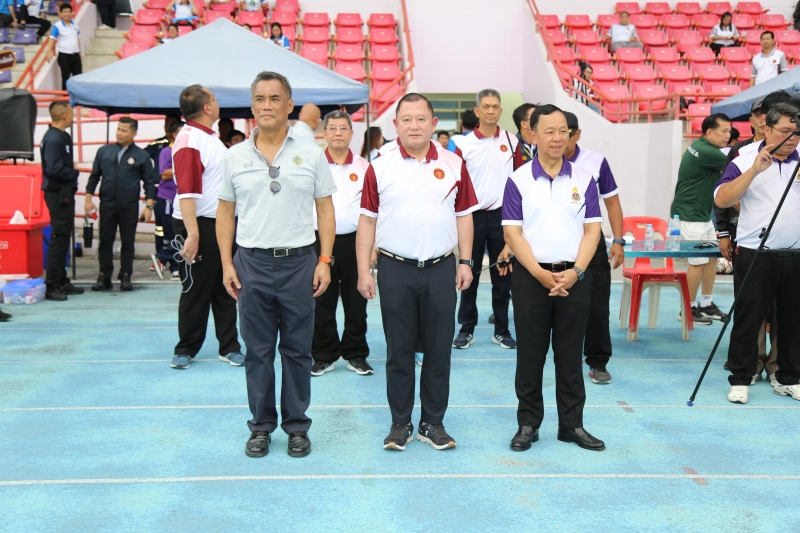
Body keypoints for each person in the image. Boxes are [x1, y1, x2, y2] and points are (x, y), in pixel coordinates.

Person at [217, 71, 337, 459]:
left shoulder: (312, 154)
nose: (266, 105)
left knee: (298, 351)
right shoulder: (234, 156)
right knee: (258, 352)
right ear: (252, 106)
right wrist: (227, 264)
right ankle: (261, 426)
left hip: (300, 263)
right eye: (260, 99)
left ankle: (297, 426)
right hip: (250, 263)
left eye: (274, 98)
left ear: (289, 105)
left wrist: (324, 260)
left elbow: (325, 209)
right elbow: (225, 213)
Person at [357, 93, 478, 451]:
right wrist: (364, 270)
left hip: (441, 269)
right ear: (395, 125)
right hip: (395, 269)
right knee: (399, 351)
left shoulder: (454, 164)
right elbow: (367, 221)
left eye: (421, 118)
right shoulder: (380, 166)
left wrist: (466, 261)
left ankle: (432, 423)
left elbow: (464, 216)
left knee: (439, 350)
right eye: (406, 119)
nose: (414, 125)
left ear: (433, 123)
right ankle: (400, 424)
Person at [502, 104, 605, 452]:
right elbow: (513, 234)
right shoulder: (518, 180)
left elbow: (592, 231)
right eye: (549, 131)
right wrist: (539, 273)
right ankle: (528, 423)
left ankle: (572, 425)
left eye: (563, 130)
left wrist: (575, 272)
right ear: (533, 135)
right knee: (530, 354)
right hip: (532, 278)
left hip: (574, 278)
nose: (558, 137)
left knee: (570, 354)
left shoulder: (584, 179)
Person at [715, 102, 800, 404]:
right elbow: (722, 199)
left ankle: (789, 378)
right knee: (748, 320)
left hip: (795, 254)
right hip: (756, 254)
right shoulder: (744, 158)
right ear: (767, 128)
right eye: (785, 131)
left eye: (797, 133)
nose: (792, 138)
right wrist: (753, 171)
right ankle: (741, 378)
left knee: (793, 320)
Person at [169, 84, 244, 370]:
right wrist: (193, 234)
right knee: (196, 288)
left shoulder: (210, 137)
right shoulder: (189, 140)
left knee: (226, 284)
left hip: (221, 222)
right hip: (198, 223)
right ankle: (186, 347)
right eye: (214, 99)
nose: (217, 103)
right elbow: (187, 192)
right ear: (207, 107)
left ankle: (229, 345)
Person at [452, 89, 522, 351]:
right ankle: (466, 329)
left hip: (503, 218)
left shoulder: (512, 141)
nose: (491, 111)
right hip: (471, 217)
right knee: (467, 273)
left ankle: (502, 330)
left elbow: (520, 180)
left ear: (500, 111)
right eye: (486, 107)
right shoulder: (463, 144)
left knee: (502, 276)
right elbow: (456, 183)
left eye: (495, 107)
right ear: (477, 111)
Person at [562, 112, 625, 385]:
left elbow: (612, 202)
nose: (558, 138)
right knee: (556, 305)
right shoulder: (535, 163)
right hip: (554, 244)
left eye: (564, 132)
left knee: (597, 306)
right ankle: (562, 360)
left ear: (576, 134)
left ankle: (598, 362)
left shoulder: (596, 161)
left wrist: (618, 240)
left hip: (592, 241)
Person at [310, 110, 373, 377]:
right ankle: (323, 355)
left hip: (355, 242)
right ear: (324, 133)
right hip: (317, 242)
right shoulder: (313, 165)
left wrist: (373, 247)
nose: (338, 133)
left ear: (351, 133)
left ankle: (356, 354)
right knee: (321, 299)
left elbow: (374, 210)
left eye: (343, 128)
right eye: (333, 128)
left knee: (356, 300)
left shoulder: (364, 167)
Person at [670, 113, 732, 326]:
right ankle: (686, 308)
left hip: (700, 215)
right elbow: (738, 164)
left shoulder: (702, 147)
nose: (727, 135)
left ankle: (705, 303)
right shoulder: (708, 152)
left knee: (711, 257)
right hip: (689, 216)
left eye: (729, 131)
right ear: (709, 132)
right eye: (724, 131)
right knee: (698, 263)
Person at [84, 118, 157, 292]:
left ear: (134, 133)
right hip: (107, 205)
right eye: (118, 129)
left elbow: (149, 183)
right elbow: (94, 177)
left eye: (124, 130)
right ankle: (104, 275)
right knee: (105, 241)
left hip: (129, 206)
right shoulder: (104, 151)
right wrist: (88, 200)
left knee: (128, 242)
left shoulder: (142, 156)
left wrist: (149, 207)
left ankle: (125, 275)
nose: (119, 133)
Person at [40, 101, 84, 302]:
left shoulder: (61, 137)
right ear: (65, 115)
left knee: (64, 236)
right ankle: (52, 285)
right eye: (71, 113)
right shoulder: (54, 139)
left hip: (64, 192)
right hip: (57, 193)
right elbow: (53, 169)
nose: (73, 117)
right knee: (59, 237)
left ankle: (62, 280)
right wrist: (74, 172)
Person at [154, 120, 185, 280]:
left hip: (184, 198)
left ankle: (170, 264)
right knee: (172, 234)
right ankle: (165, 260)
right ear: (174, 135)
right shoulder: (167, 151)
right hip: (168, 199)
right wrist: (185, 166)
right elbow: (164, 174)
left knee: (180, 234)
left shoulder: (188, 150)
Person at [49, 3, 81, 92]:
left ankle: (78, 97)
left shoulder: (75, 24)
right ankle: (65, 97)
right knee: (66, 77)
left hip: (75, 55)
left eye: (69, 12)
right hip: (64, 56)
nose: (67, 14)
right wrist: (48, 52)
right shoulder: (57, 26)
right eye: (65, 12)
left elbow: (77, 38)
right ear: (61, 13)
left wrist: (79, 52)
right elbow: (51, 39)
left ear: (71, 13)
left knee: (78, 77)